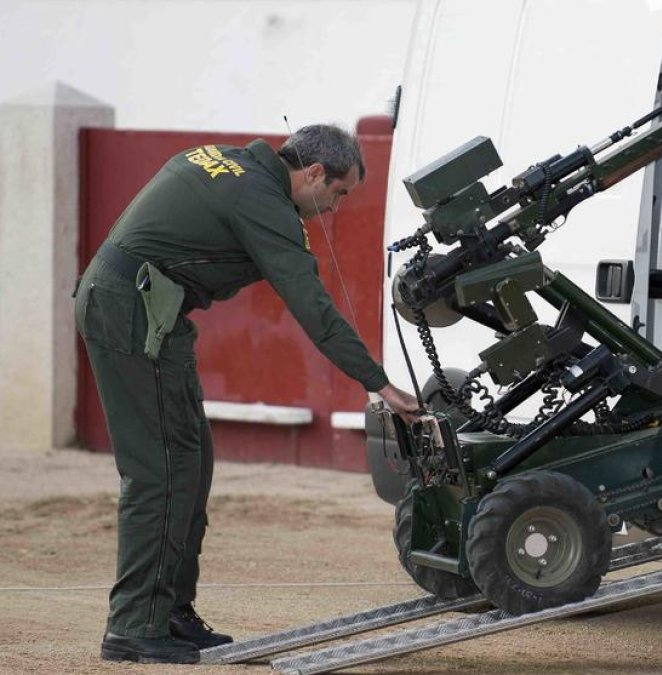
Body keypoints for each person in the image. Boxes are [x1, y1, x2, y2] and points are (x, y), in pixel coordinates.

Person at [74, 124, 422, 664]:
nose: (334, 209)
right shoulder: (262, 201)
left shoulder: (228, 161)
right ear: (312, 174)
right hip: (131, 311)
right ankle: (135, 624)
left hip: (148, 310)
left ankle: (169, 612)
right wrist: (380, 383)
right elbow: (314, 309)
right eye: (339, 193)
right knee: (161, 470)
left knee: (191, 461)